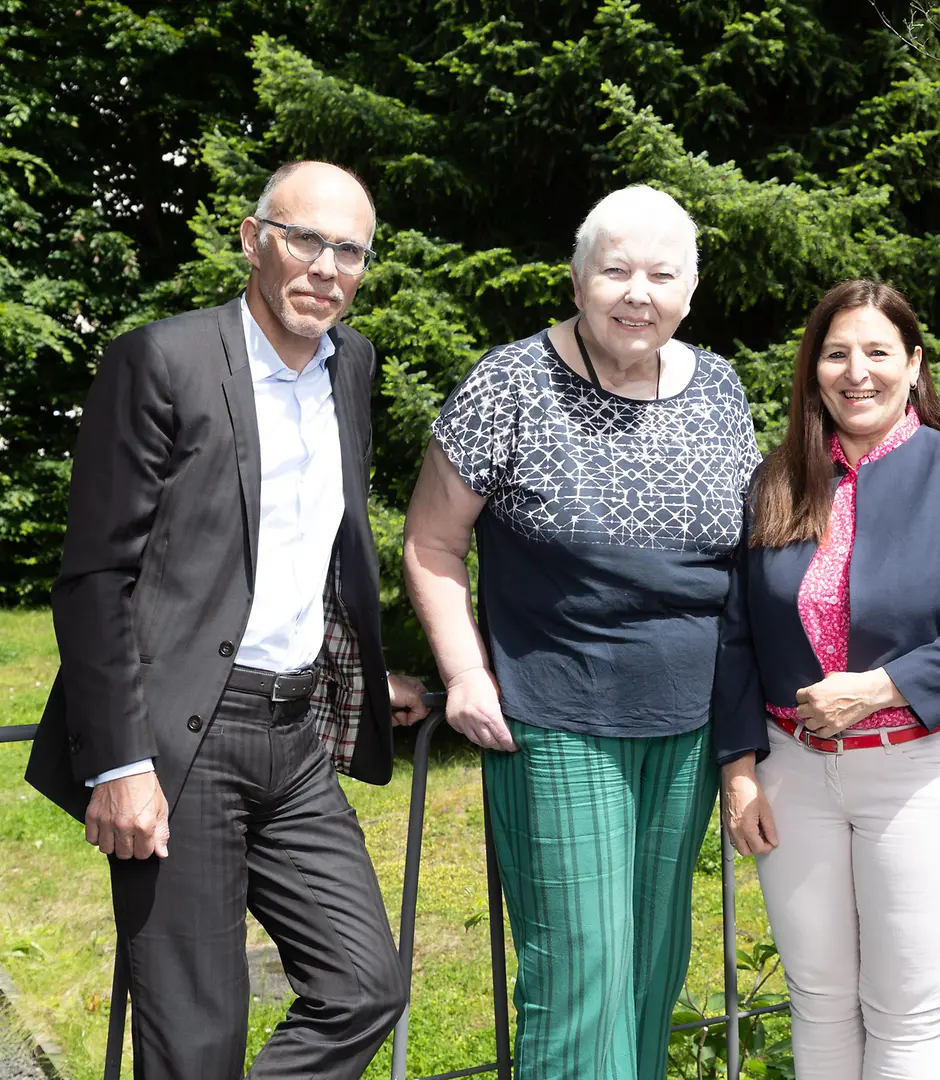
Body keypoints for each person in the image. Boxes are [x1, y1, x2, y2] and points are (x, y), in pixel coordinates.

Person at [25, 160, 431, 1080]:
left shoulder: (351, 366)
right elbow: (94, 579)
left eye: (350, 250)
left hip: (294, 744)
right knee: (195, 1042)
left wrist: (366, 678)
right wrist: (122, 765)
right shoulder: (161, 358)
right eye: (304, 239)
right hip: (179, 747)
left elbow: (316, 551)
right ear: (254, 240)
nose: (326, 268)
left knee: (366, 985)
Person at [402, 184, 760, 1080]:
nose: (638, 292)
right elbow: (431, 541)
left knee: (652, 971)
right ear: (577, 278)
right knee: (579, 981)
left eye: (661, 274)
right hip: (558, 716)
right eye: (616, 270)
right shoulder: (510, 382)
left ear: (690, 288)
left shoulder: (719, 385)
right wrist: (465, 674)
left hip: (687, 723)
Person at [713, 279, 940, 1079]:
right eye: (837, 353)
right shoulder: (776, 478)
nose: (858, 372)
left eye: (878, 352)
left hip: (921, 772)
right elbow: (736, 634)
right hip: (792, 777)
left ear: (914, 363)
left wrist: (878, 688)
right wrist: (739, 770)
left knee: (902, 1008)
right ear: (813, 368)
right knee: (818, 1001)